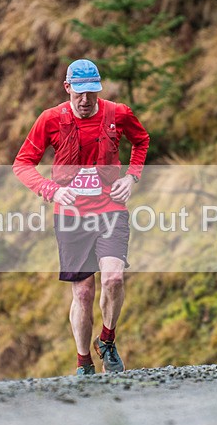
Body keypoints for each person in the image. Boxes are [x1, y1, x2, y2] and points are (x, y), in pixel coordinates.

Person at [13, 59, 150, 376]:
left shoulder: (118, 114)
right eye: (79, 93)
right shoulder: (50, 119)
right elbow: (22, 164)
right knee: (83, 293)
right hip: (71, 217)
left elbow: (141, 141)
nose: (86, 100)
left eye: (92, 92)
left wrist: (132, 177)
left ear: (99, 89)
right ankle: (83, 362)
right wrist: (50, 190)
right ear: (67, 88)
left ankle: (107, 340)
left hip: (110, 209)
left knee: (113, 278)